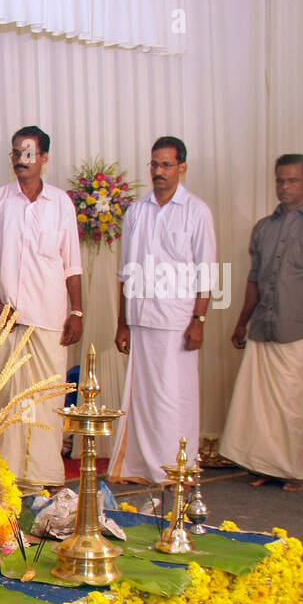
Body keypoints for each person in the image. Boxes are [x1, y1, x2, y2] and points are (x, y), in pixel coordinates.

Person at [221, 154, 303, 491]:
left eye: (293, 180)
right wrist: (241, 322)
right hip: (263, 326)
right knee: (260, 404)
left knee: (293, 401)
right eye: (280, 180)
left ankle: (292, 469)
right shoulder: (264, 227)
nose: (285, 187)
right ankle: (266, 466)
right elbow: (254, 279)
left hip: (301, 326)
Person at [0, 126, 83, 489]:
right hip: (8, 318)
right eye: (15, 153)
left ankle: (45, 474)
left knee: (47, 400)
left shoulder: (61, 204)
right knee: (6, 400)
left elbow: (71, 263)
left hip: (51, 316)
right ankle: (6, 476)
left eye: (27, 153)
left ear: (43, 158)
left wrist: (78, 311)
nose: (20, 160)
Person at [108, 136, 217, 484]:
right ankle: (139, 467)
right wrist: (122, 324)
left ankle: (176, 468)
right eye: (154, 164)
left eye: (166, 165)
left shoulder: (197, 211)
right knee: (142, 401)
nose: (159, 171)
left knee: (174, 400)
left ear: (182, 168)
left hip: (177, 321)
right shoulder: (137, 211)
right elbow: (125, 273)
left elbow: (208, 272)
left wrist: (198, 320)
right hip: (140, 321)